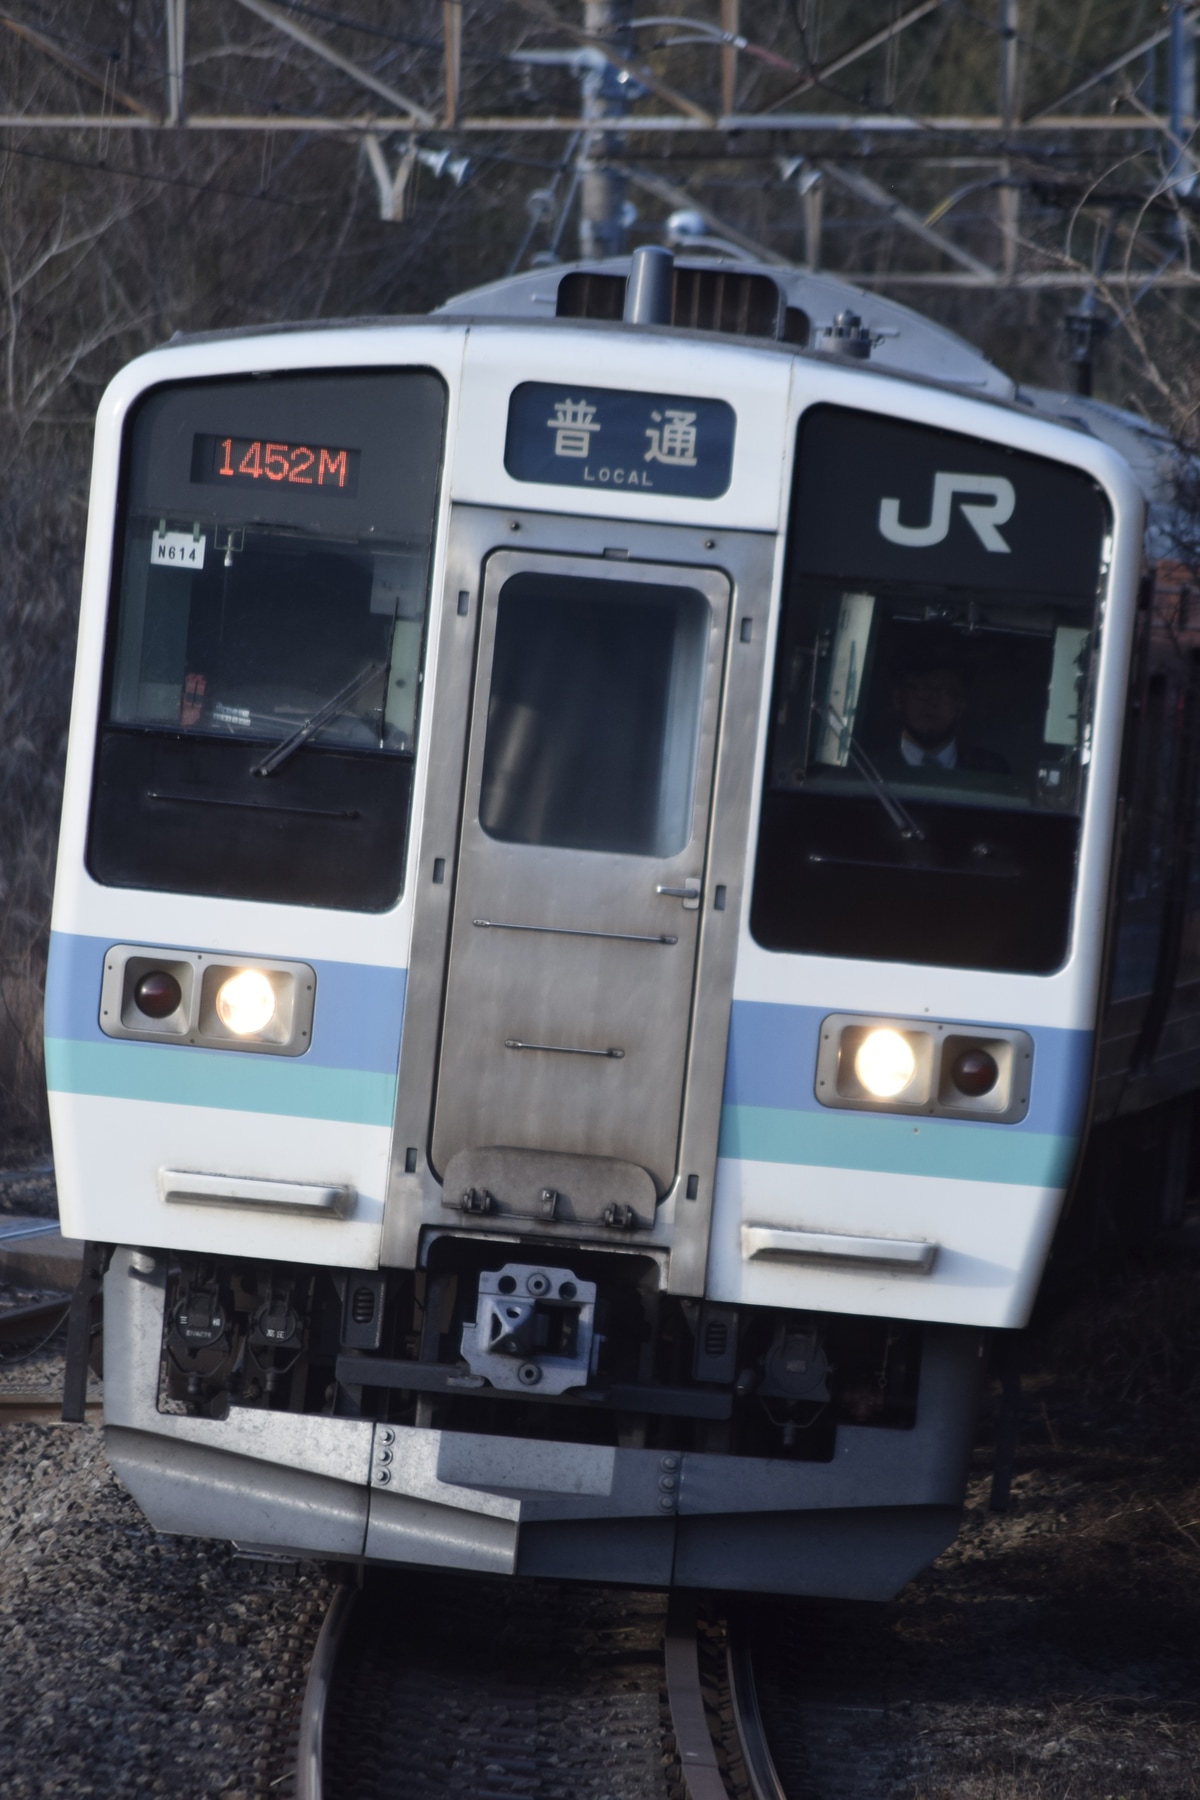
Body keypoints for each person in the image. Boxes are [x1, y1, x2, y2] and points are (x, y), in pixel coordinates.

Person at [882, 651, 1009, 775]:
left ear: (961, 706)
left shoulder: (990, 770)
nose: (931, 701)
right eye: (920, 688)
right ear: (898, 698)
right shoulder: (872, 769)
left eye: (945, 692)